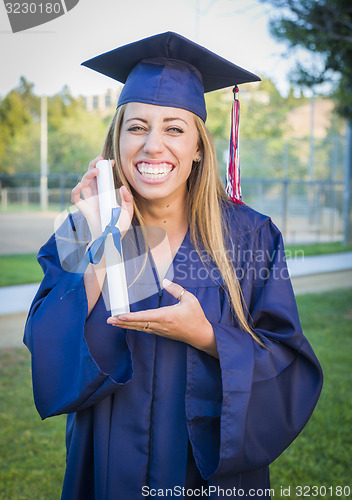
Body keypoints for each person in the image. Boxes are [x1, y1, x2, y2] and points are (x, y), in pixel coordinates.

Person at [24, 32, 323, 500]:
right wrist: (101, 240)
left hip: (207, 473)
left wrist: (205, 336)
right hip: (111, 466)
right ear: (116, 140)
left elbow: (289, 368)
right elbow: (47, 349)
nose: (152, 146)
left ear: (199, 147)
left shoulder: (248, 237)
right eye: (137, 127)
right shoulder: (83, 228)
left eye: (174, 129)